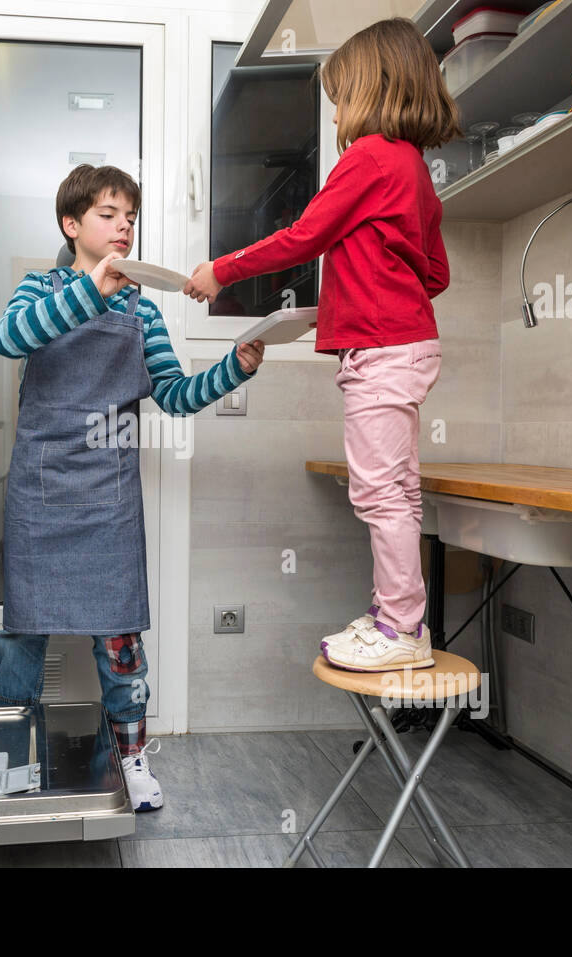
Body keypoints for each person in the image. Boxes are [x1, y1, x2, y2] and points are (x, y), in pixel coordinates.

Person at [185, 17, 461, 673]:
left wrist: (221, 269)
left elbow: (303, 236)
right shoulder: (413, 167)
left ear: (370, 88)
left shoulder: (368, 156)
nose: (335, 109)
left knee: (378, 494)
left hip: (383, 349)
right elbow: (436, 274)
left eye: (340, 95)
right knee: (399, 491)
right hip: (405, 345)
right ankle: (398, 617)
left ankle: (400, 629)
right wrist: (364, 284)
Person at [0, 163, 266, 809]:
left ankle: (133, 758)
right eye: (109, 214)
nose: (123, 226)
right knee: (23, 636)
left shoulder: (142, 311)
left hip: (108, 500)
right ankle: (6, 754)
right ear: (72, 224)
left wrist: (233, 367)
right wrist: (91, 289)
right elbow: (10, 339)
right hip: (41, 489)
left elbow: (174, 395)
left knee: (120, 644)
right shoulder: (40, 288)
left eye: (130, 217)